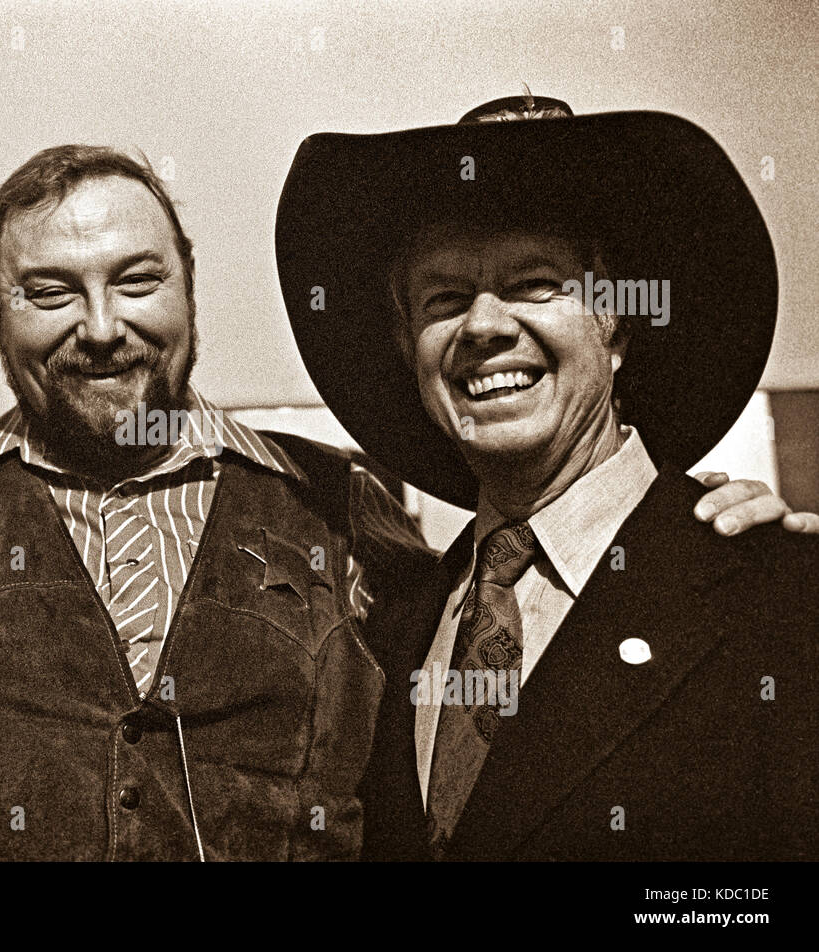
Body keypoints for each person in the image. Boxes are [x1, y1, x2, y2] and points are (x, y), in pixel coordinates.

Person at [0, 143, 803, 860]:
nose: (102, 327)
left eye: (136, 280)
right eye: (48, 290)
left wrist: (716, 549)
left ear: (188, 290)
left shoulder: (345, 513)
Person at [276, 94, 819, 860]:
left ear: (617, 322)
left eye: (535, 284)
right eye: (445, 299)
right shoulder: (388, 635)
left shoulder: (787, 599)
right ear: (407, 347)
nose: (485, 325)